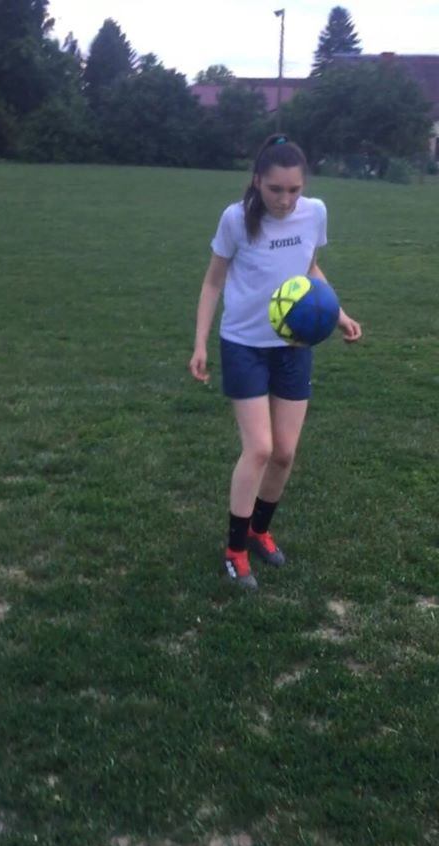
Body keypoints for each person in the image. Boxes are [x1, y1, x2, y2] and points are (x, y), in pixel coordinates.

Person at [189, 134, 362, 591]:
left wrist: (338, 313)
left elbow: (309, 268)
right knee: (260, 449)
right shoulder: (235, 219)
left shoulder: (315, 212)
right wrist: (200, 343)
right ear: (256, 182)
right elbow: (212, 283)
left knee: (284, 453)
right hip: (243, 344)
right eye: (275, 190)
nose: (285, 200)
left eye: (294, 190)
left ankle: (258, 531)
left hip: (294, 345)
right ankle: (234, 551)